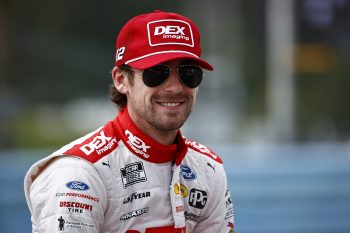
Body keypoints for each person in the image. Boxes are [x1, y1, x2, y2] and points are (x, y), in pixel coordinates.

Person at [24, 10, 234, 233]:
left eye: (189, 73)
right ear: (122, 80)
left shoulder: (208, 170)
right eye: (156, 73)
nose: (175, 87)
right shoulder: (78, 174)